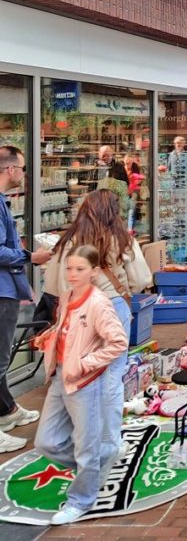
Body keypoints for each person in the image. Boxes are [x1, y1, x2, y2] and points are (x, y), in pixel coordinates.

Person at [45, 188, 152, 467]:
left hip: (78, 310)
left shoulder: (69, 241)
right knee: (111, 379)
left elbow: (55, 285)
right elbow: (141, 278)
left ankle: (81, 441)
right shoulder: (120, 240)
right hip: (112, 309)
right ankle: (109, 443)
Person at [34, 244, 127, 525]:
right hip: (61, 377)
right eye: (69, 268)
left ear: (94, 272)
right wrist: (49, 340)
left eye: (79, 269)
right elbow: (68, 332)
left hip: (84, 382)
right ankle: (94, 467)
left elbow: (118, 342)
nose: (72, 274)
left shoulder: (98, 304)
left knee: (86, 446)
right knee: (46, 442)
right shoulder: (67, 296)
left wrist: (85, 363)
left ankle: (81, 500)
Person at [0, 146, 51, 453]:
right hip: (2, 290)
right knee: (0, 358)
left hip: (7, 288)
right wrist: (31, 256)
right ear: (10, 170)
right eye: (22, 167)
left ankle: (8, 411)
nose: (24, 173)